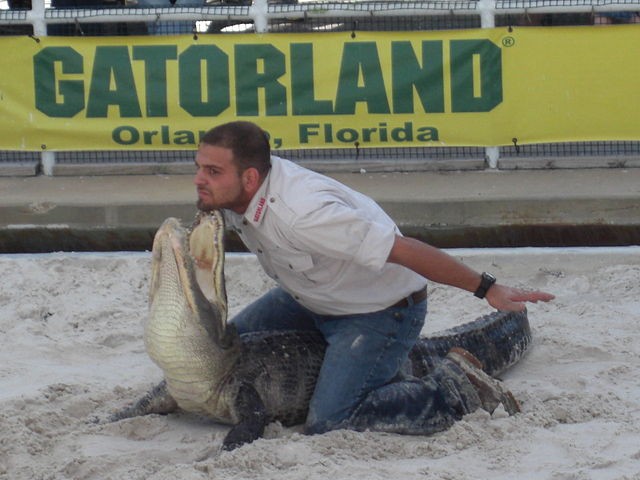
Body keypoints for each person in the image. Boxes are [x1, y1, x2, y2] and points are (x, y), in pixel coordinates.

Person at [193, 120, 554, 436]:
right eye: (199, 168)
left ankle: (459, 388)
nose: (199, 180)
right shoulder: (240, 191)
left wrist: (487, 288)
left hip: (378, 311)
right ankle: (367, 373)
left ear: (251, 177)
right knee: (225, 354)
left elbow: (405, 250)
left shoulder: (304, 215)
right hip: (312, 296)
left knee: (331, 421)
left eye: (212, 172)